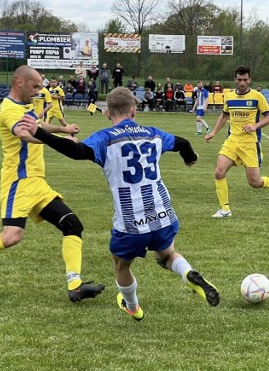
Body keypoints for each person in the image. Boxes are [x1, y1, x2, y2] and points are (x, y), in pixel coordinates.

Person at [18, 87, 220, 319]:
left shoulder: (105, 138)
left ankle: (132, 306)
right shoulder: (153, 133)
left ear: (107, 114)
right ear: (134, 110)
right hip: (162, 211)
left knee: (121, 264)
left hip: (131, 219)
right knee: (166, 255)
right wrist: (190, 158)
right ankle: (188, 273)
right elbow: (182, 142)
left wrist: (41, 133)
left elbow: (77, 151)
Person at [0, 65, 104, 302]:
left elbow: (36, 126)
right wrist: (56, 141)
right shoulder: (8, 109)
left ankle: (75, 285)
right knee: (11, 236)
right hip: (18, 182)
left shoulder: (26, 106)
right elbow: (25, 133)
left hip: (37, 183)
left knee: (72, 225)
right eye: (35, 86)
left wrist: (62, 128)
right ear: (20, 81)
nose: (39, 90)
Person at [204, 65, 269, 218]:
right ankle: (225, 209)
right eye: (239, 79)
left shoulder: (257, 96)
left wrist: (255, 126)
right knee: (219, 171)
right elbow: (224, 116)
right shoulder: (228, 96)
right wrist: (213, 132)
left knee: (254, 182)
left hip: (249, 144)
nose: (242, 82)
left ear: (250, 80)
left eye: (245, 80)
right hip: (232, 141)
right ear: (235, 80)